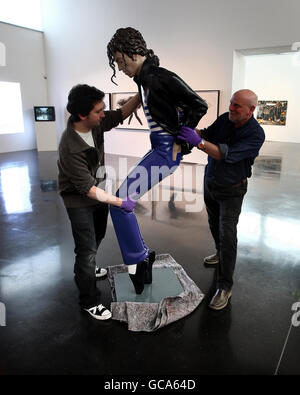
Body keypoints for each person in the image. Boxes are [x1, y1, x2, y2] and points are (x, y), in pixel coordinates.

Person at [107, 27, 208, 295]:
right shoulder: (144, 79)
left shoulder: (160, 77)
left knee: (119, 205)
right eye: (116, 62)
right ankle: (142, 256)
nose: (120, 67)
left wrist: (182, 139)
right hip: (159, 151)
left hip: (165, 154)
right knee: (121, 204)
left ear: (134, 51)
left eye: (120, 60)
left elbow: (199, 104)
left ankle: (138, 260)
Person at [58, 84, 140, 320]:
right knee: (86, 251)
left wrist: (141, 92)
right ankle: (89, 301)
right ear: (83, 115)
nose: (104, 114)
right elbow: (86, 189)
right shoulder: (70, 146)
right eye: (99, 111)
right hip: (79, 199)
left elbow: (122, 112)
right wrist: (119, 202)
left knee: (98, 235)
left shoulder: (95, 124)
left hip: (99, 190)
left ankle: (90, 268)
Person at [178, 89, 265, 310]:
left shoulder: (256, 134)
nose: (231, 109)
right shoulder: (225, 119)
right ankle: (219, 253)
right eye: (231, 103)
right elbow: (207, 133)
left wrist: (198, 142)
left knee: (228, 234)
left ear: (251, 110)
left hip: (232, 190)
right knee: (213, 224)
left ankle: (225, 286)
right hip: (211, 182)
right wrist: (192, 131)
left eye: (237, 106)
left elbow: (226, 155)